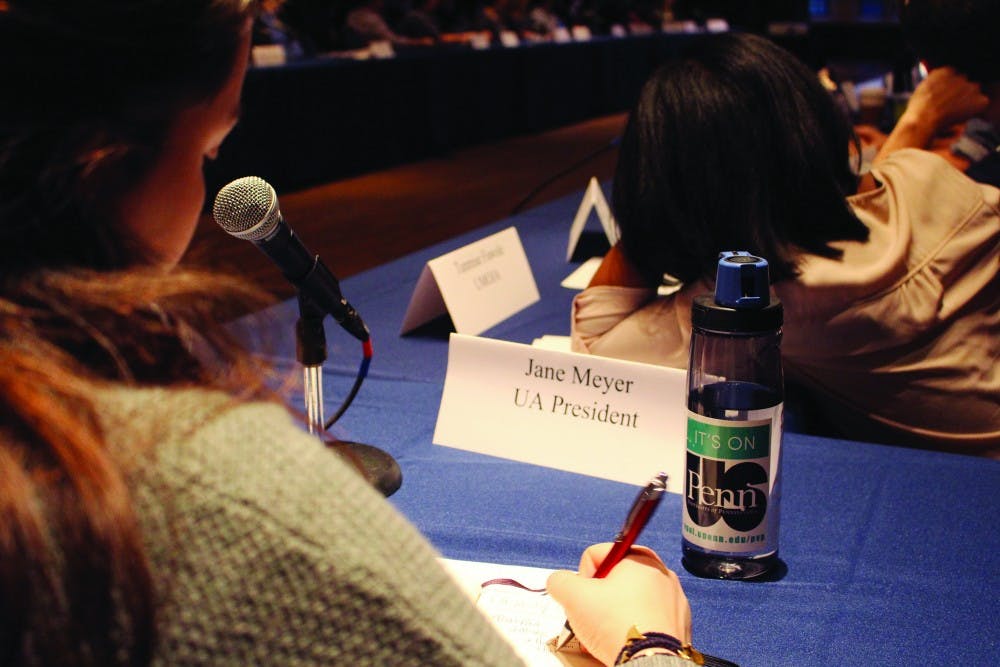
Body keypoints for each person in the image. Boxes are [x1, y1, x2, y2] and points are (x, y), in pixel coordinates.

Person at [0, 1, 696, 665]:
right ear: (106, 158)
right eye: (209, 151)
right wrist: (650, 643)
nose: (207, 190)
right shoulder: (205, 483)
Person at [571, 32, 999, 457]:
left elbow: (595, 352)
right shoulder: (924, 172)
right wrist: (913, 125)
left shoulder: (770, 299)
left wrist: (654, 206)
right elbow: (851, 196)